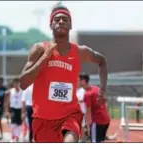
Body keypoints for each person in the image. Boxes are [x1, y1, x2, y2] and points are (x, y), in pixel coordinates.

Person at [19, 5, 107, 143]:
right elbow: (23, 83)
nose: (61, 22)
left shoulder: (79, 51)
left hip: (70, 114)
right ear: (50, 25)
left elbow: (102, 61)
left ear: (71, 25)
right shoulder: (39, 49)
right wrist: (44, 58)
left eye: (65, 19)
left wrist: (103, 89)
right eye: (57, 19)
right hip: (43, 119)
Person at [78, 73, 110, 143]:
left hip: (96, 121)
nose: (77, 82)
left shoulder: (87, 94)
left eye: (78, 80)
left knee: (94, 141)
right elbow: (105, 102)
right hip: (105, 120)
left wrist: (89, 127)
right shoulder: (96, 88)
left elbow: (88, 112)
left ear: (83, 81)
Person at [5, 78, 23, 142]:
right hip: (13, 108)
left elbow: (23, 101)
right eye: (15, 83)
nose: (16, 84)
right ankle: (13, 136)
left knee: (19, 124)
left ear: (19, 83)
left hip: (20, 109)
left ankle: (17, 137)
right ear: (13, 84)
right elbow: (7, 101)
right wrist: (6, 110)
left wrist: (23, 112)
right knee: (13, 123)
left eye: (17, 83)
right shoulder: (11, 91)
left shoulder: (22, 91)